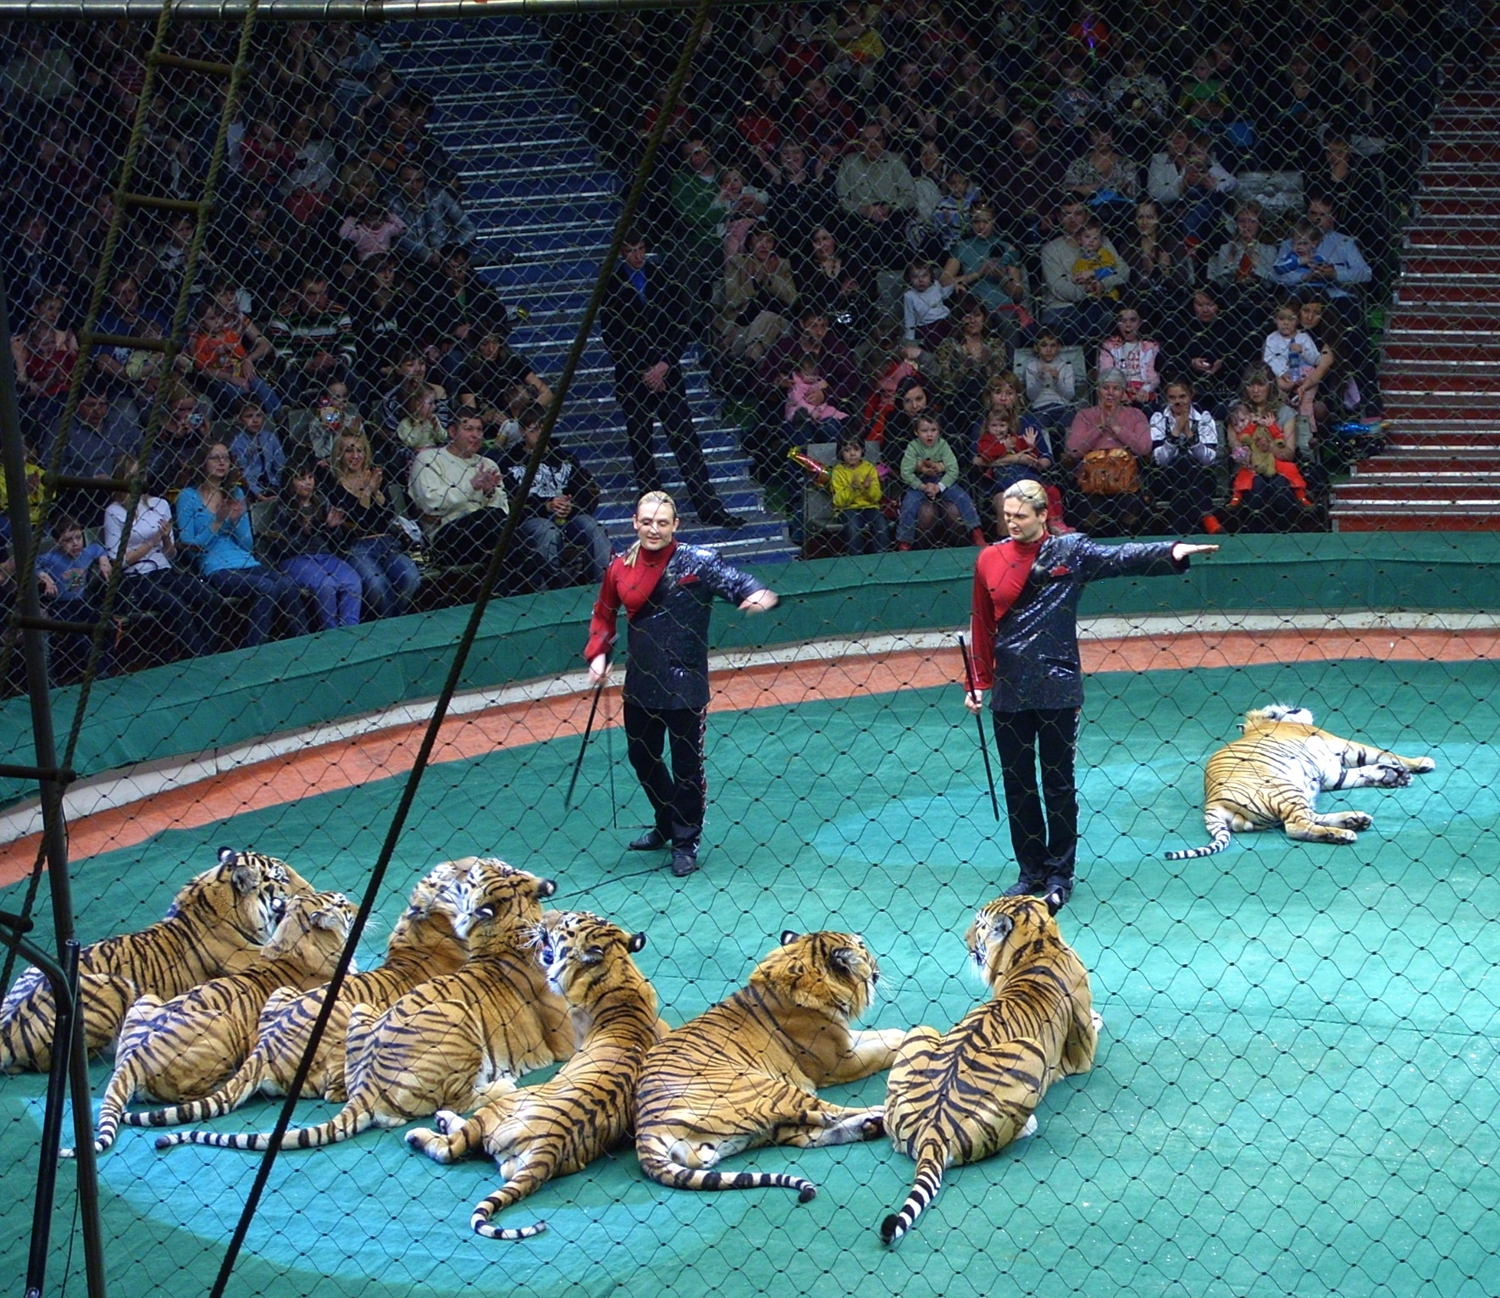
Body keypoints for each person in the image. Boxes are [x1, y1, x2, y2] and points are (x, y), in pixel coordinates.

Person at [966, 478, 1217, 909]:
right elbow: (982, 623)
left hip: (1058, 684)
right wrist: (977, 683)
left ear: (1044, 515)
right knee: (1018, 785)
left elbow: (1119, 557)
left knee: (1058, 783)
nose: (1011, 522)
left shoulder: (1069, 552)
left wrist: (1169, 552)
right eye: (1006, 516)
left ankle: (1061, 874)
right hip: (1010, 685)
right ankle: (1031, 872)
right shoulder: (989, 558)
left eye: (1020, 516)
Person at [583, 491, 778, 878]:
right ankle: (666, 822)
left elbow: (736, 582)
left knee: (687, 765)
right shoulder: (619, 566)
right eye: (646, 522)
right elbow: (604, 615)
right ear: (635, 523)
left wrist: (755, 595)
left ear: (676, 526)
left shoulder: (698, 561)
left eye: (662, 523)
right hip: (641, 679)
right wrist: (598, 654)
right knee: (643, 757)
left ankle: (686, 841)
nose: (653, 529)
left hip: (686, 681)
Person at [599, 231, 743, 529]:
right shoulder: (612, 287)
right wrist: (645, 371)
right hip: (633, 377)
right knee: (642, 447)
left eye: (640, 247)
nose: (637, 255)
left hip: (667, 372)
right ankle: (654, 514)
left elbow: (681, 323)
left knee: (685, 440)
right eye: (630, 249)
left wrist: (664, 364)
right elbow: (613, 337)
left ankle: (709, 507)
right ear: (622, 252)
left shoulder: (663, 278)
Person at [174, 442, 311, 647]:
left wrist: (237, 522)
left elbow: (248, 545)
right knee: (266, 587)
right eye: (215, 457)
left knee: (288, 584)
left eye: (226, 458)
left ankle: (305, 643)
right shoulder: (188, 496)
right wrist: (218, 522)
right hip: (216, 567)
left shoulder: (236, 493)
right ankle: (253, 650)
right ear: (202, 462)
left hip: (246, 562)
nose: (222, 462)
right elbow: (189, 546)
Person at [102, 453, 228, 662]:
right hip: (137, 577)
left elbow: (171, 555)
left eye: (141, 475)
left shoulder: (160, 504)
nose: (139, 481)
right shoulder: (114, 512)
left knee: (210, 598)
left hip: (164, 570)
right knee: (177, 606)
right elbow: (118, 561)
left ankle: (206, 652)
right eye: (133, 476)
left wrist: (167, 542)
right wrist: (152, 541)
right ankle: (203, 658)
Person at [497, 404, 612, 588]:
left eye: (544, 428)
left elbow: (589, 492)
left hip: (569, 518)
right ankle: (548, 593)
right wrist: (546, 506)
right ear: (522, 431)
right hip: (532, 521)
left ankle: (604, 588)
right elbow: (509, 504)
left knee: (592, 527)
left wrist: (571, 505)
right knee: (546, 530)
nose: (540, 434)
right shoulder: (508, 463)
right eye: (534, 429)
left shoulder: (566, 458)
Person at [321, 431, 421, 619]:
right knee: (377, 586)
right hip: (357, 546)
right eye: (349, 451)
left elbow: (388, 515)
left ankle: (393, 621)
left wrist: (377, 492)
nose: (356, 456)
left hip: (388, 542)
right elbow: (359, 521)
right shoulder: (333, 484)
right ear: (339, 455)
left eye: (360, 450)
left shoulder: (375, 476)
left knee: (410, 577)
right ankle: (390, 624)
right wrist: (367, 491)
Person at [1064, 369, 1153, 535]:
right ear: (1098, 390)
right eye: (1106, 388)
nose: (1110, 393)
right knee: (1088, 507)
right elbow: (1074, 450)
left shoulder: (1136, 414)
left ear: (1123, 391)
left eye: (1116, 388)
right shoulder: (1084, 415)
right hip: (1091, 482)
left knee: (1131, 505)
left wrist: (1117, 428)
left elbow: (1144, 447)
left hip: (1126, 481)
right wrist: (1099, 428)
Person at [896, 413, 986, 551]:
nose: (929, 435)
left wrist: (940, 486)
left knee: (962, 497)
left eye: (933, 430)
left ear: (939, 430)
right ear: (916, 432)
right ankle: (904, 541)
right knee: (909, 504)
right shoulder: (912, 447)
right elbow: (905, 472)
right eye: (924, 431)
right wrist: (922, 486)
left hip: (942, 480)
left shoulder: (943, 444)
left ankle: (975, 530)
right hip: (919, 483)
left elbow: (953, 469)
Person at [1149, 378, 1219, 533]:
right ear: (1166, 398)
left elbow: (1209, 459)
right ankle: (1206, 516)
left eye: (1182, 397)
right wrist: (1175, 434)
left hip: (1201, 477)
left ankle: (1177, 529)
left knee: (1186, 462)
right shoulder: (1158, 418)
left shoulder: (1204, 417)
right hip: (1167, 478)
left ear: (1191, 395)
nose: (1177, 402)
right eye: (1172, 398)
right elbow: (1160, 460)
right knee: (1181, 461)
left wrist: (1189, 434)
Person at [828, 436, 887, 555]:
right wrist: (853, 489)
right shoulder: (837, 472)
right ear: (840, 453)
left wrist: (866, 488)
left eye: (856, 449)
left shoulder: (869, 468)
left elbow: (876, 497)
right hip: (847, 509)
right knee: (853, 528)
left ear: (862, 451)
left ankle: (881, 558)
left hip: (870, 507)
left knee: (882, 526)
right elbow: (838, 501)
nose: (852, 454)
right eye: (847, 450)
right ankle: (856, 559)